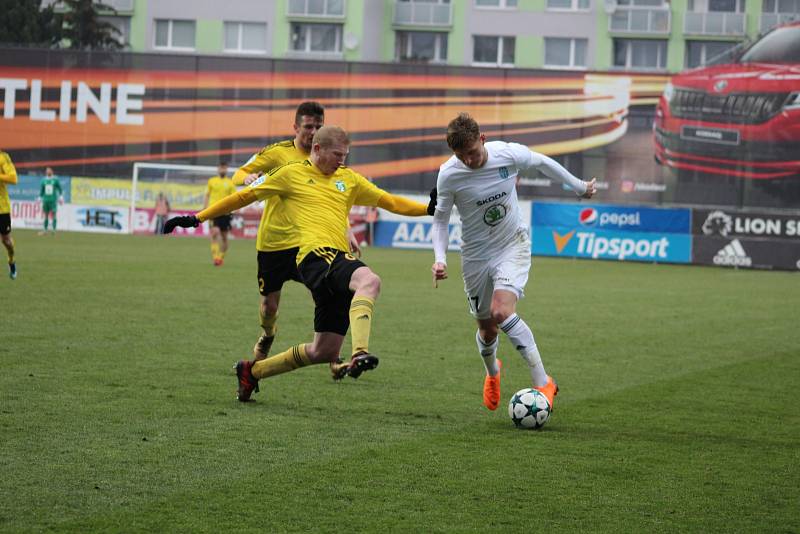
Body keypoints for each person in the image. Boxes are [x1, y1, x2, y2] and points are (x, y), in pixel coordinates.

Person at [163, 125, 436, 402]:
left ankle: (252, 372)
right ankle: (359, 352)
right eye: (337, 154)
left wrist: (427, 209)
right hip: (316, 255)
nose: (342, 160)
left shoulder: (349, 179)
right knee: (370, 281)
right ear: (317, 149)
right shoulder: (290, 173)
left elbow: (389, 201)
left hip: (332, 258)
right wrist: (196, 218)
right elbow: (243, 196)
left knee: (324, 351)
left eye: (346, 155)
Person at [430, 113, 596, 412]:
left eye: (473, 152)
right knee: (487, 329)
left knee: (501, 311)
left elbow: (543, 162)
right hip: (476, 255)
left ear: (483, 139)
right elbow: (440, 221)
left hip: (512, 244)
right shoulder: (449, 174)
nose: (469, 160)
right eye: (461, 156)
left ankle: (543, 381)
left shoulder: (507, 153)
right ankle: (493, 373)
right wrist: (439, 260)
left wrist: (578, 186)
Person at [204, 162, 236, 266]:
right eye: (221, 168)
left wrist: (234, 209)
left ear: (226, 170)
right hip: (213, 211)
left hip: (225, 213)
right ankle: (216, 258)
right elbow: (207, 195)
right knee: (214, 232)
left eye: (224, 168)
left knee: (224, 238)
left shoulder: (230, 182)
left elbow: (234, 198)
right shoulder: (211, 181)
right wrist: (205, 208)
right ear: (218, 169)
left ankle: (221, 258)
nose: (222, 170)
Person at [0, 149, 18, 279]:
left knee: (6, 241)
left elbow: (13, 178)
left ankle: (11, 260)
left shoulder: (3, 157)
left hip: (2, 208)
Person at [38, 167, 63, 235]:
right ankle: (45, 230)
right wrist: (40, 197)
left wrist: (61, 197)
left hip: (53, 200)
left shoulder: (55, 179)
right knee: (46, 215)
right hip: (46, 200)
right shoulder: (43, 180)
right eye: (47, 171)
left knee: (53, 214)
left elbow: (60, 188)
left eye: (49, 171)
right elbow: (42, 190)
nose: (48, 172)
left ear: (52, 171)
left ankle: (54, 230)